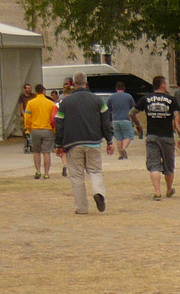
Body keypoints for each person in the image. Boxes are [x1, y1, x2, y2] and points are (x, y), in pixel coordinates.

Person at [53, 71, 113, 215]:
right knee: (95, 171)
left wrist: (58, 144)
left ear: (73, 84)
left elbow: (59, 123)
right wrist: (109, 140)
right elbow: (106, 121)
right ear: (87, 83)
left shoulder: (65, 102)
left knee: (77, 176)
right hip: (93, 141)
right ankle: (99, 192)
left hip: (73, 143)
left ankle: (82, 207)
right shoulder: (98, 100)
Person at [139, 75, 180, 200]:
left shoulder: (146, 98)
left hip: (152, 136)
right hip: (167, 137)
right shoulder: (171, 100)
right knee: (169, 166)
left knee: (154, 165)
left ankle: (157, 192)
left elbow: (132, 112)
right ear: (163, 85)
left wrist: (138, 125)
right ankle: (168, 189)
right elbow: (177, 120)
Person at [23, 84, 57, 179]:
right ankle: (46, 173)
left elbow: (27, 118)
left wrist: (29, 128)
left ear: (35, 92)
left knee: (36, 151)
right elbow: (54, 118)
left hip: (35, 129)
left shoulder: (31, 103)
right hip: (48, 129)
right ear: (44, 91)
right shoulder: (51, 103)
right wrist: (54, 129)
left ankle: (38, 171)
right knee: (47, 152)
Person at [108, 81, 136, 160]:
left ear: (116, 88)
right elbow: (133, 108)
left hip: (115, 120)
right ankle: (123, 148)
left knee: (119, 138)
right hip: (126, 119)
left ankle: (121, 155)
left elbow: (109, 109)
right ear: (124, 88)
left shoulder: (111, 97)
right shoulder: (128, 96)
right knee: (128, 136)